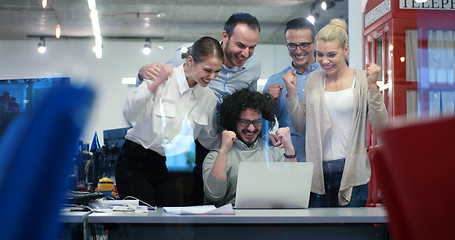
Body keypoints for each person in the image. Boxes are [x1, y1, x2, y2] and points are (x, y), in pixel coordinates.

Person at [137, 12, 262, 205]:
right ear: (225, 36)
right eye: (240, 45)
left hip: (224, 145)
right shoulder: (193, 55)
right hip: (190, 143)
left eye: (251, 47)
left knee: (218, 202)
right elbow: (156, 81)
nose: (245, 53)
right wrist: (142, 72)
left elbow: (250, 103)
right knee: (186, 202)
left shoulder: (254, 65)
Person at [284, 19, 388, 207]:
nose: (324, 61)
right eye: (320, 54)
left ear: (345, 50)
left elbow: (382, 125)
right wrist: (291, 94)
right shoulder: (314, 79)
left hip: (352, 172)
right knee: (320, 234)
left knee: (350, 234)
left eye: (331, 54)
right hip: (318, 174)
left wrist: (373, 87)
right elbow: (300, 125)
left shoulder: (363, 80)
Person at [115, 36, 224, 207]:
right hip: (137, 161)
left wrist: (232, 144)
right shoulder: (160, 77)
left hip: (173, 165)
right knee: (142, 225)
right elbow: (130, 112)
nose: (212, 76)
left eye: (217, 71)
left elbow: (209, 139)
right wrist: (156, 84)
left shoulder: (208, 98)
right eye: (208, 70)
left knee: (173, 225)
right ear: (190, 61)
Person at [203, 89, 297, 206]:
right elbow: (214, 196)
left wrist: (289, 148)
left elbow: (294, 193)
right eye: (244, 122)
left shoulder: (275, 152)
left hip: (269, 220)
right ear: (233, 121)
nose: (251, 128)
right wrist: (223, 151)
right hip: (230, 221)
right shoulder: (215, 156)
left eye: (257, 122)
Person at [263, 17, 322, 162]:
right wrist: (269, 102)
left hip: (325, 163)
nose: (298, 50)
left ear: (314, 43)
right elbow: (260, 124)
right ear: (286, 44)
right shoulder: (274, 81)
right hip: (288, 161)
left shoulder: (329, 76)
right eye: (292, 45)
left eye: (304, 44)